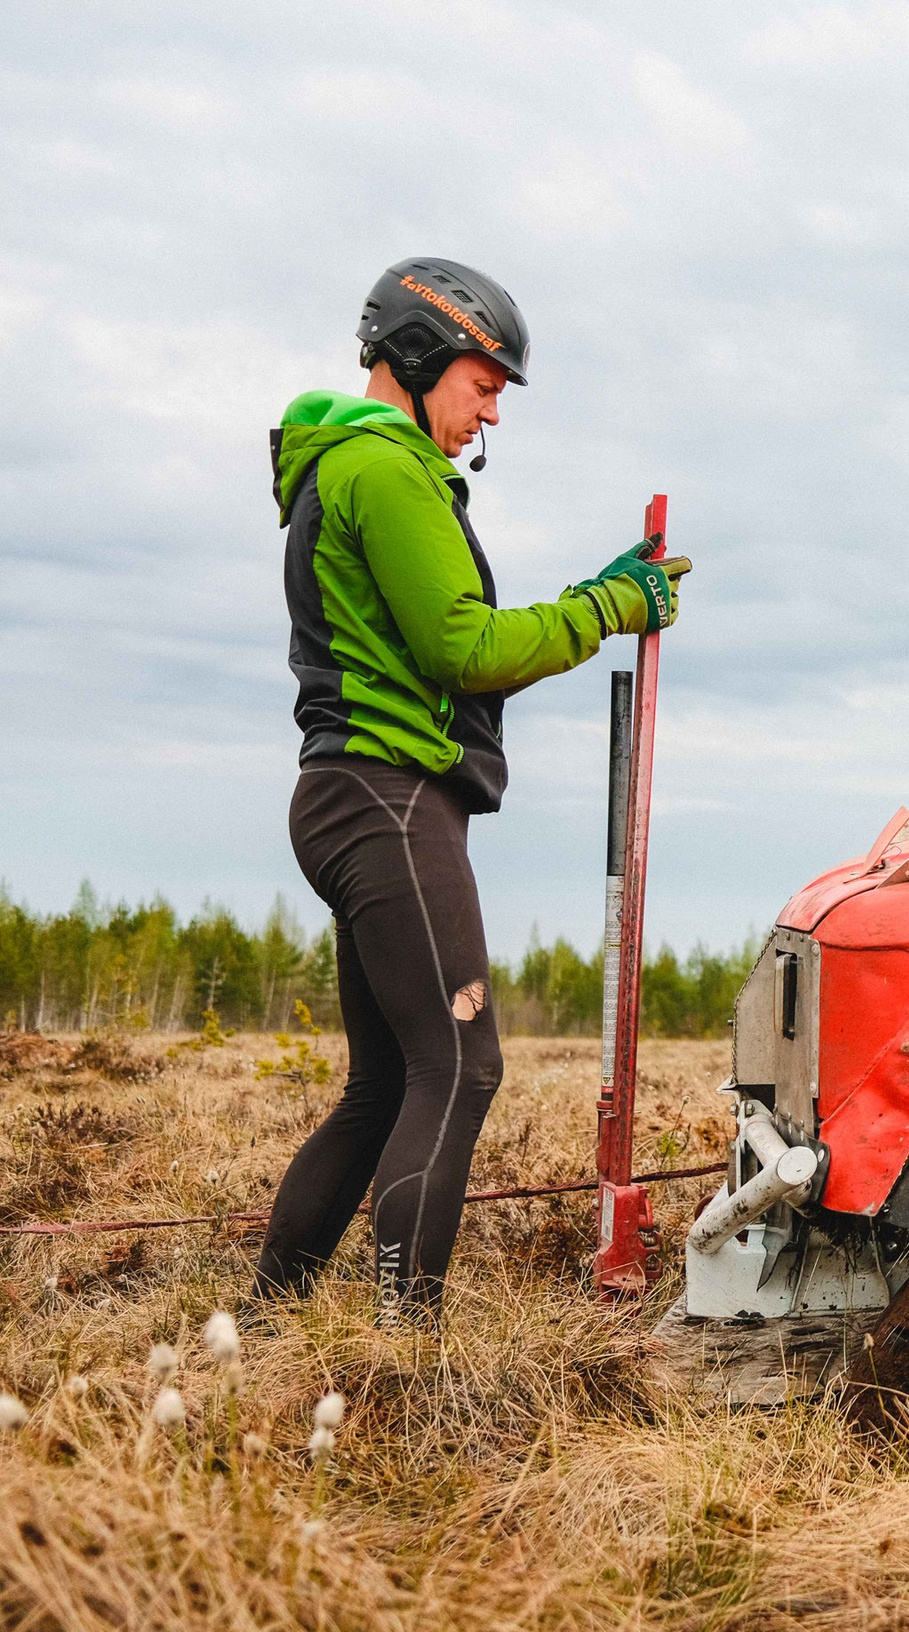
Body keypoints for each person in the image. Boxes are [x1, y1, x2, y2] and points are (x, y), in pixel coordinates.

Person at [255, 257, 689, 1325]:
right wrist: (604, 605)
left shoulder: (348, 467)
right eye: (484, 384)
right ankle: (407, 1345)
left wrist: (603, 596)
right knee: (460, 1064)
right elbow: (464, 646)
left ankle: (268, 1321)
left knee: (385, 1084)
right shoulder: (383, 469)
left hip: (355, 798)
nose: (491, 414)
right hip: (386, 800)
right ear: (416, 354)